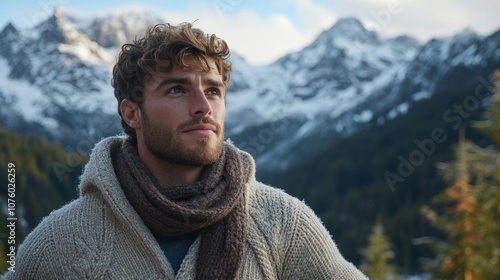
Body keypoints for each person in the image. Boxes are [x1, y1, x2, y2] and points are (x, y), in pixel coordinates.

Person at [3, 23, 367, 279]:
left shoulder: (284, 224)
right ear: (131, 113)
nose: (202, 107)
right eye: (177, 90)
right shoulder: (60, 242)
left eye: (213, 90)